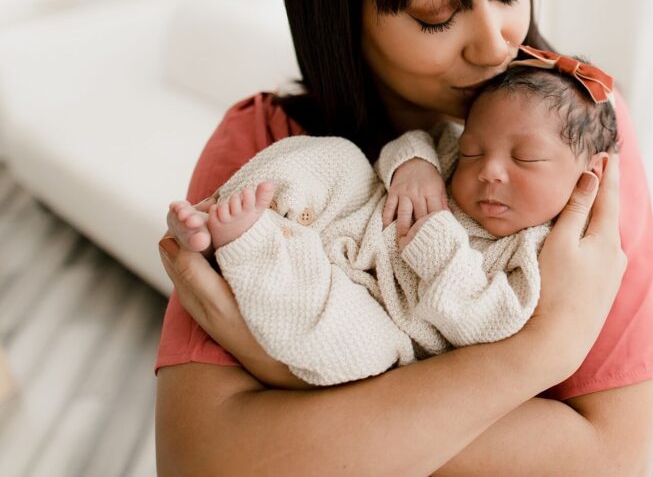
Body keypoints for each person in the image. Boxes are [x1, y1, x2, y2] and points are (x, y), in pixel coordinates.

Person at [155, 0, 653, 474]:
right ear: (340, 10)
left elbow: (611, 456)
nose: (496, 43)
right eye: (436, 12)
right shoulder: (265, 149)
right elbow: (203, 463)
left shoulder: (579, 132)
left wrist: (288, 382)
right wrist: (542, 351)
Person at [166, 59, 618, 386]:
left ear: (588, 175)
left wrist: (439, 244)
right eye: (474, 152)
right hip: (357, 220)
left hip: (381, 309)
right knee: (337, 160)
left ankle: (244, 241)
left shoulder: (540, 251)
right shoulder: (454, 152)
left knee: (357, 350)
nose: (489, 170)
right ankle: (223, 212)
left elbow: (485, 324)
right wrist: (414, 165)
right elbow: (419, 140)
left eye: (526, 158)